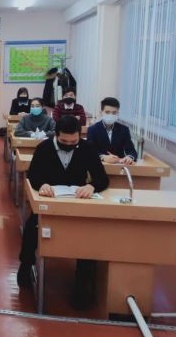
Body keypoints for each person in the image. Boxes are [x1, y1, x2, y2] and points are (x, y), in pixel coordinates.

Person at [17, 116, 109, 310]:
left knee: (89, 237)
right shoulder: (44, 148)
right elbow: (33, 175)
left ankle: (82, 284)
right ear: (56, 135)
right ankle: (25, 265)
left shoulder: (87, 148)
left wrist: (92, 186)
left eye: (73, 141)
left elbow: (102, 178)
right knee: (32, 228)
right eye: (64, 141)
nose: (69, 145)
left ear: (79, 137)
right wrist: (42, 184)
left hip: (77, 203)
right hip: (50, 201)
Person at [87, 97, 137, 164]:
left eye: (114, 113)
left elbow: (132, 151)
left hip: (119, 165)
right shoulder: (92, 129)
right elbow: (90, 150)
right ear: (101, 113)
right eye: (107, 112)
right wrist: (103, 157)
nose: (110, 115)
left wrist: (129, 157)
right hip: (100, 164)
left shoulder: (124, 130)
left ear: (118, 113)